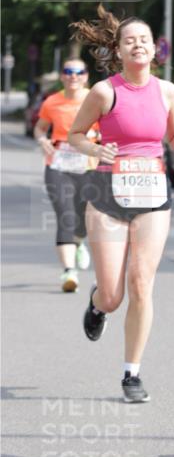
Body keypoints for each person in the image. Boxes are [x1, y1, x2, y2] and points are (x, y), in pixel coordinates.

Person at [67, 6, 174, 403]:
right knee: (113, 295)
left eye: (144, 40)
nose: (138, 45)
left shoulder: (167, 91)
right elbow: (75, 136)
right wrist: (97, 148)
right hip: (108, 195)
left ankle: (132, 373)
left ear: (155, 49)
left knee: (142, 282)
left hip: (152, 194)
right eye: (130, 41)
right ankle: (97, 304)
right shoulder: (104, 92)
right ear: (119, 51)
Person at [34, 59, 97, 292]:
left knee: (83, 218)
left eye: (78, 72)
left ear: (86, 76)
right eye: (68, 72)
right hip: (58, 165)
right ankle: (69, 272)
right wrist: (42, 140)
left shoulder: (95, 99)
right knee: (65, 215)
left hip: (88, 166)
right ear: (62, 76)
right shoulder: (52, 102)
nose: (73, 76)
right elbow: (40, 127)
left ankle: (79, 242)